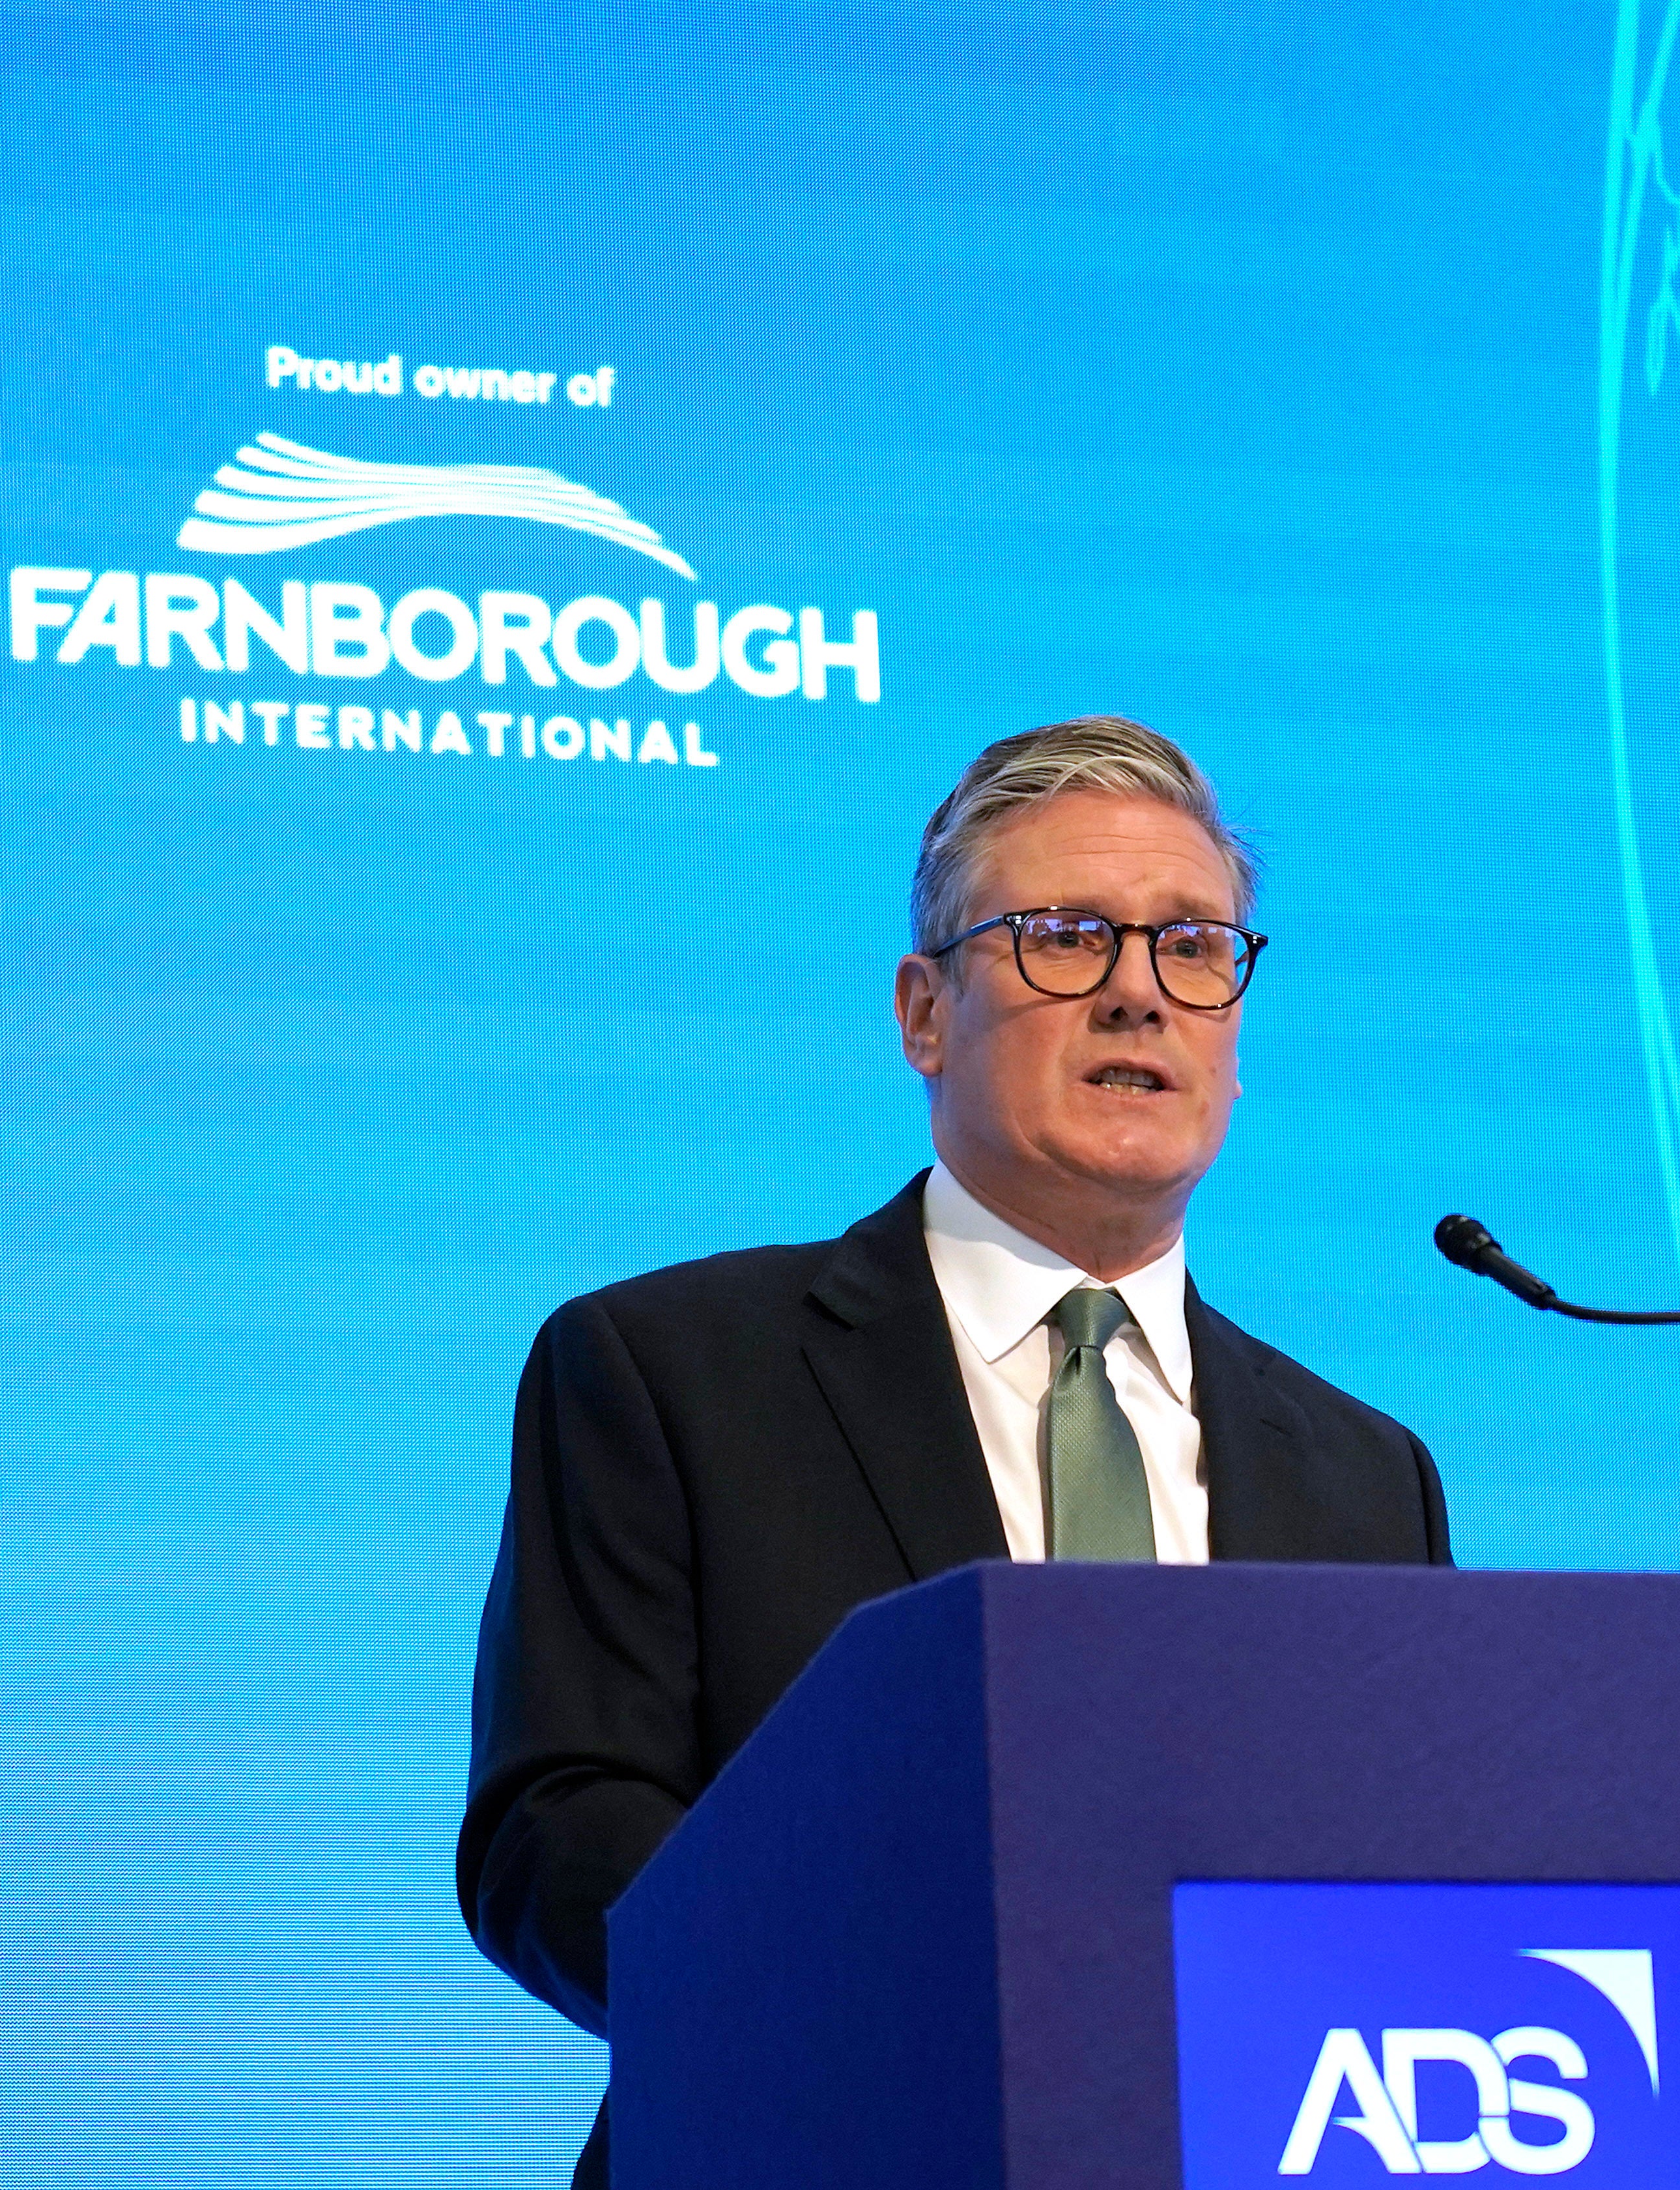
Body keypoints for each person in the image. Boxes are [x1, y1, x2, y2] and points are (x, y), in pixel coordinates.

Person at [457, 715, 1451, 2187]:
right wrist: (887, 2011)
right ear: (923, 1013)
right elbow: (558, 1832)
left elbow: (1408, 1899)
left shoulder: (1368, 1477)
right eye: (1063, 938)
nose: (1138, 994)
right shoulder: (670, 1369)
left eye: (1192, 947)